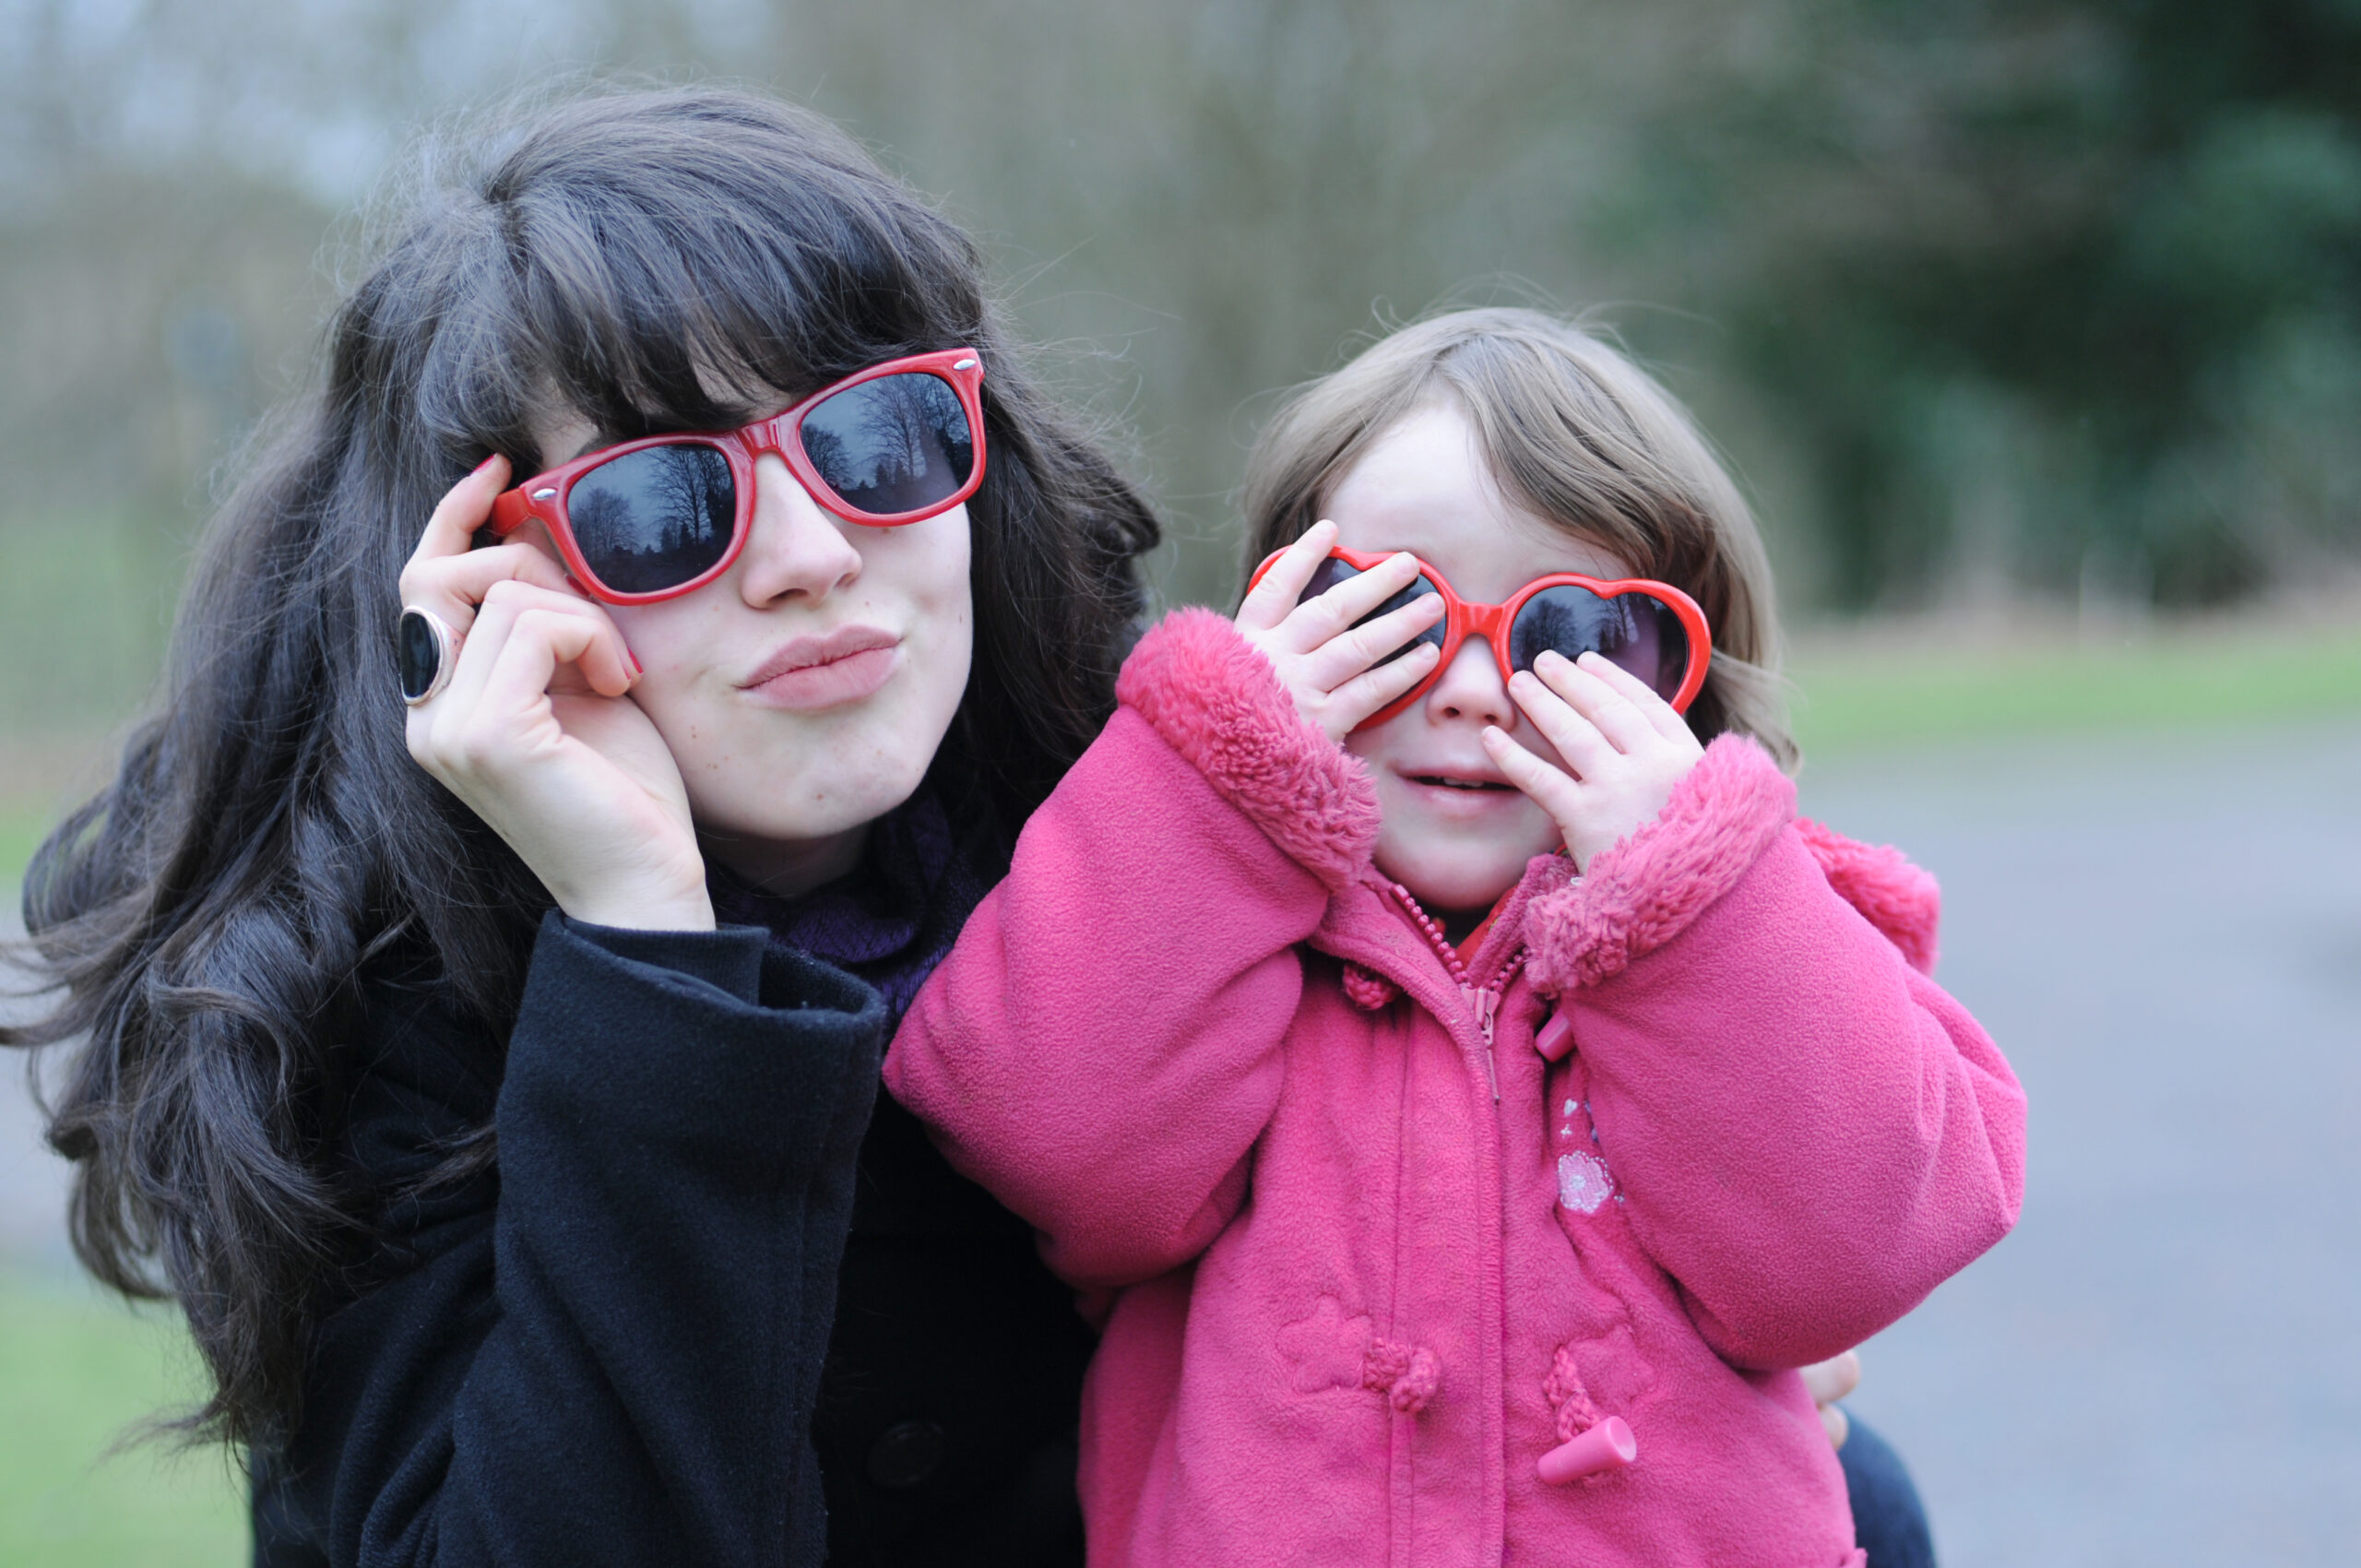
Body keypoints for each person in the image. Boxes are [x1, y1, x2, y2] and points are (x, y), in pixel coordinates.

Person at [2, 88, 1157, 1565]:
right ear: (485, 588)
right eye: (666, 503)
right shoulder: (335, 1012)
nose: (812, 556)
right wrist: (646, 946)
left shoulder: (1174, 855)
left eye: (874, 436)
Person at [885, 308, 2026, 1565]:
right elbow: (1043, 1138)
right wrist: (1216, 782)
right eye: (1394, 617)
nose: (1476, 688)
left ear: (1688, 686)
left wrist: (1688, 899)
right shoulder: (1210, 939)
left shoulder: (1757, 928)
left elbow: (1846, 1256)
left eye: (1574, 636)